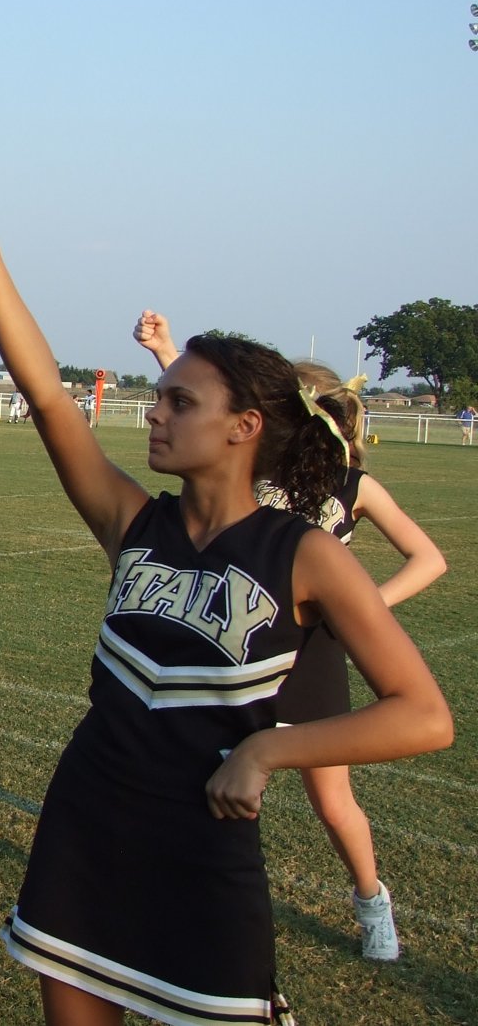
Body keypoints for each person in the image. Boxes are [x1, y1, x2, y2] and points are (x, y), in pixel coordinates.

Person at [0, 179, 451, 1026]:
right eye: (159, 396)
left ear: (245, 426)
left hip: (203, 848)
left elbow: (424, 715)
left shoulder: (305, 554)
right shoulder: (134, 521)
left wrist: (269, 751)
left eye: (181, 401)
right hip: (85, 827)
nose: (156, 413)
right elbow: (50, 398)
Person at [136, 310, 446, 962]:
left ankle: (372, 902)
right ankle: (182, 894)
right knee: (205, 781)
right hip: (239, 638)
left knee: (333, 803)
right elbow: (205, 410)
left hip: (311, 656)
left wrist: (363, 605)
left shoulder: (354, 485)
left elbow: (429, 558)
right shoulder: (251, 471)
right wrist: (166, 350)